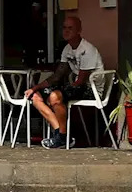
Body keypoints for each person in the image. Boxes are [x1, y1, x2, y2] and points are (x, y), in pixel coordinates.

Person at [25, 15, 102, 149]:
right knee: (35, 96)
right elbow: (58, 75)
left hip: (90, 89)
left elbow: (81, 81)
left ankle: (61, 136)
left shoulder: (88, 50)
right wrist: (34, 88)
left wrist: (59, 92)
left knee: (55, 96)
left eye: (70, 28)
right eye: (64, 28)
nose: (66, 31)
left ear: (79, 30)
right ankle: (61, 135)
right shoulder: (67, 49)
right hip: (75, 86)